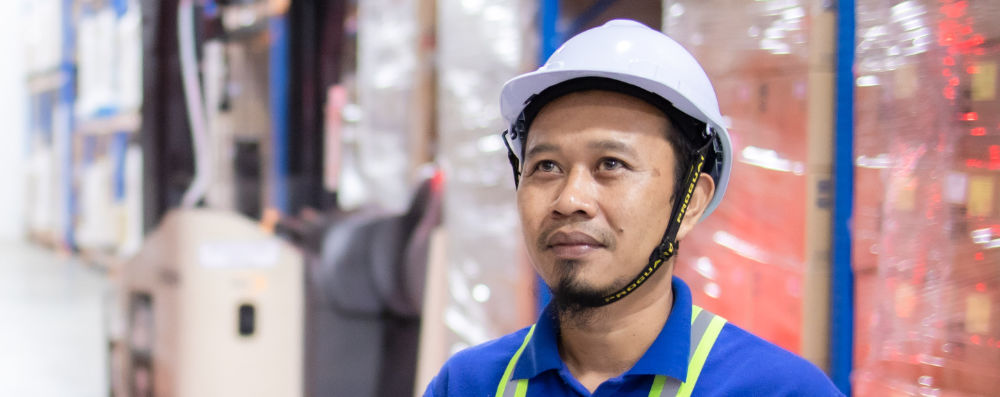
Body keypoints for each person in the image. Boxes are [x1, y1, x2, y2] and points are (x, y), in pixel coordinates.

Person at [424, 19, 843, 396]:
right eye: (546, 166)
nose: (570, 200)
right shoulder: (468, 384)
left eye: (611, 164)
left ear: (690, 201)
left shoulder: (777, 390)